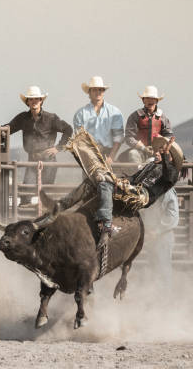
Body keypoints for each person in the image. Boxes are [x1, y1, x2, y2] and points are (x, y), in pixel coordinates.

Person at [53, 131, 183, 249]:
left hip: (143, 195)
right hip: (133, 189)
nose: (158, 152)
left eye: (163, 150)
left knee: (105, 185)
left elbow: (169, 177)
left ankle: (106, 224)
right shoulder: (150, 165)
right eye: (159, 149)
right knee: (93, 181)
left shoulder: (172, 172)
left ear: (170, 157)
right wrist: (122, 180)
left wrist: (165, 154)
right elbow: (134, 178)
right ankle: (63, 205)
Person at [5, 86, 72, 205]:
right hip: (32, 160)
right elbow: (7, 129)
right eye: (31, 99)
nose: (34, 101)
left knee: (46, 194)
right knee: (26, 192)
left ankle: (45, 221)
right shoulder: (22, 118)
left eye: (37, 99)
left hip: (49, 161)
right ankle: (25, 220)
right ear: (28, 102)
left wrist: (58, 147)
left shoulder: (51, 118)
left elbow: (68, 129)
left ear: (41, 101)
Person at [73, 76, 124, 165]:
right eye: (95, 90)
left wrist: (111, 157)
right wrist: (89, 156)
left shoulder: (114, 112)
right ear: (89, 92)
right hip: (89, 154)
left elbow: (118, 137)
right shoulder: (80, 114)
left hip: (108, 153)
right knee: (89, 179)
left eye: (100, 89)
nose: (98, 92)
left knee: (109, 178)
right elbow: (79, 140)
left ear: (104, 92)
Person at [140, 187, 179, 291]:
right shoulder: (155, 190)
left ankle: (165, 298)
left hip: (162, 236)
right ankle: (157, 296)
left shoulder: (167, 191)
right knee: (154, 267)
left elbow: (172, 217)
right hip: (154, 236)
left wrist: (156, 231)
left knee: (162, 268)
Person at [123, 85, 174, 163]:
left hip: (158, 153)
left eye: (152, 98)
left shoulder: (163, 118)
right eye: (147, 98)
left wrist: (161, 149)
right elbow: (129, 137)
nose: (150, 101)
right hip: (139, 151)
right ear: (143, 100)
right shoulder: (135, 116)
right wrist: (143, 148)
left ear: (156, 101)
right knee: (133, 154)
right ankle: (138, 174)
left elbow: (168, 136)